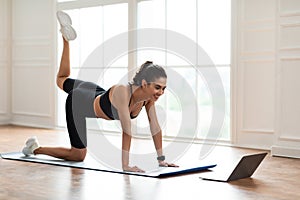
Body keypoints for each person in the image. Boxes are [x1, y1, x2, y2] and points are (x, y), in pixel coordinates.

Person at [21, 11, 178, 172]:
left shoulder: (148, 98)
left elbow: (155, 127)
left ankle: (65, 38)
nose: (161, 92)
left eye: (164, 88)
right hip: (79, 102)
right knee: (78, 155)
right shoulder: (123, 92)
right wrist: (126, 165)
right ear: (144, 83)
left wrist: (161, 160)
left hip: (94, 92)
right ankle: (35, 148)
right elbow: (127, 130)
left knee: (61, 80)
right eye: (157, 87)